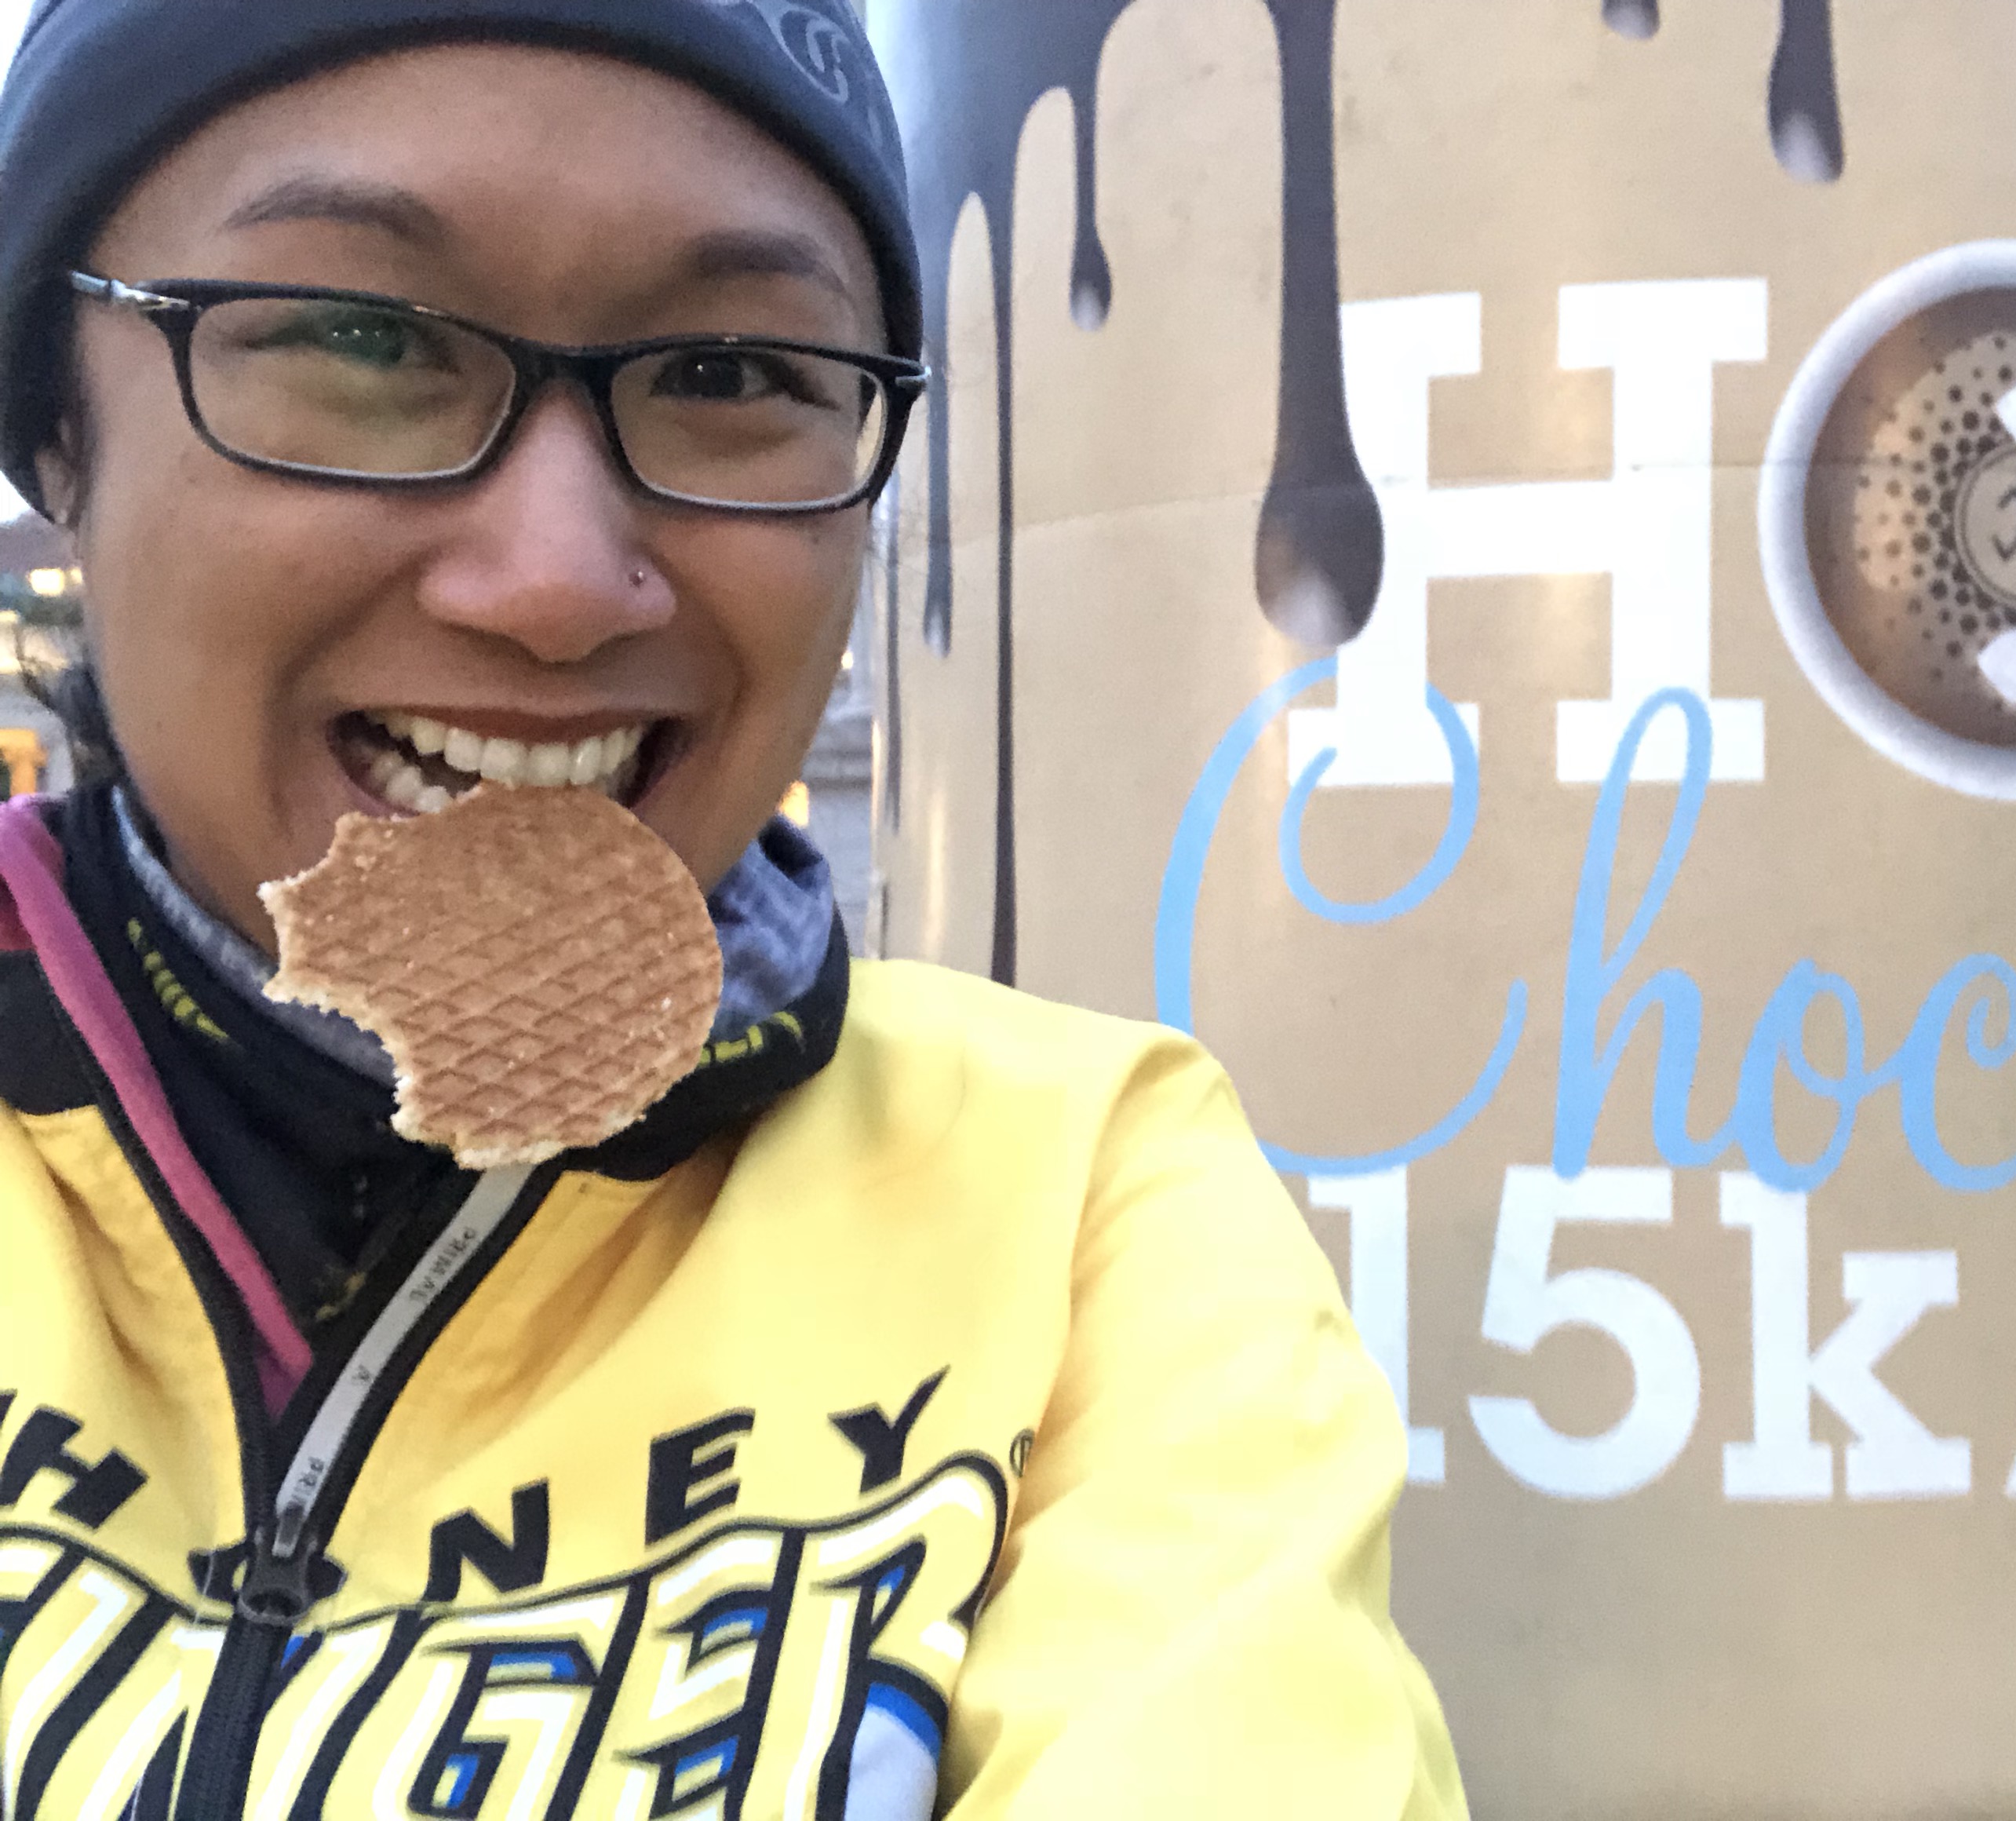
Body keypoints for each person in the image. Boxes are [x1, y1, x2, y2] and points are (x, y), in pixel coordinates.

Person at [0, 2, 1467, 1815]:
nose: (555, 580)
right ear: (54, 427)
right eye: (363, 338)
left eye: (728, 369)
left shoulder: (1079, 1197)